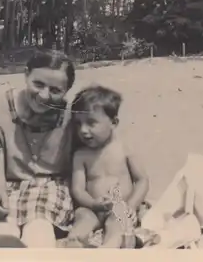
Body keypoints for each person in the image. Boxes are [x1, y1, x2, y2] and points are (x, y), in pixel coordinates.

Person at [0, 49, 76, 248]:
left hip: (52, 186)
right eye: (38, 84)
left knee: (40, 228)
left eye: (55, 91)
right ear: (26, 75)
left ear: (66, 92)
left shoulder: (70, 117)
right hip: (10, 186)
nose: (44, 95)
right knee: (1, 226)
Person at [63, 86, 149, 248]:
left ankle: (109, 248)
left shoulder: (124, 148)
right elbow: (78, 190)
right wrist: (93, 204)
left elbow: (142, 180)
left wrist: (132, 204)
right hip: (91, 207)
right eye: (78, 124)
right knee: (82, 219)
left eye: (91, 123)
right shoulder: (81, 155)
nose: (83, 130)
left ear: (113, 123)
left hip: (120, 205)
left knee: (118, 223)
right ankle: (74, 243)